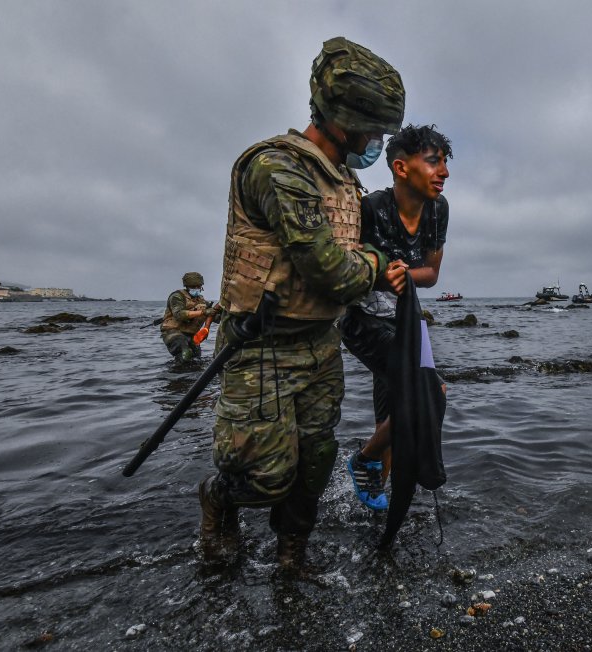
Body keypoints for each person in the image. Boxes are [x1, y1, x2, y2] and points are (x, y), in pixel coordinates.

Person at [198, 37, 404, 571]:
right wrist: (379, 267)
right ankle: (218, 501)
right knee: (263, 474)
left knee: (314, 462)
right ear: (341, 118)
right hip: (260, 349)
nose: (377, 141)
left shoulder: (347, 185)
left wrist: (375, 266)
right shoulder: (277, 169)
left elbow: (349, 259)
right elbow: (332, 270)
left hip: (319, 344)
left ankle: (293, 555)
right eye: (374, 131)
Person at [339, 124, 452, 510]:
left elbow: (432, 275)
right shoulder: (370, 208)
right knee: (430, 393)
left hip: (408, 321)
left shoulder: (438, 209)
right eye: (434, 162)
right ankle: (364, 459)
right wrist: (377, 274)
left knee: (391, 411)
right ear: (402, 168)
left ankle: (376, 494)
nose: (444, 173)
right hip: (364, 321)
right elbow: (349, 268)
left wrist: (400, 275)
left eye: (445, 164)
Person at [160, 272, 220, 362]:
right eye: (193, 287)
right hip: (174, 332)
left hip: (191, 335)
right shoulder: (177, 297)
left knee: (197, 359)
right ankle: (177, 374)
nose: (196, 289)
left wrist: (223, 312)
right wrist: (203, 312)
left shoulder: (201, 300)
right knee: (185, 353)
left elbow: (215, 317)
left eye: (198, 286)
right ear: (187, 287)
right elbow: (179, 315)